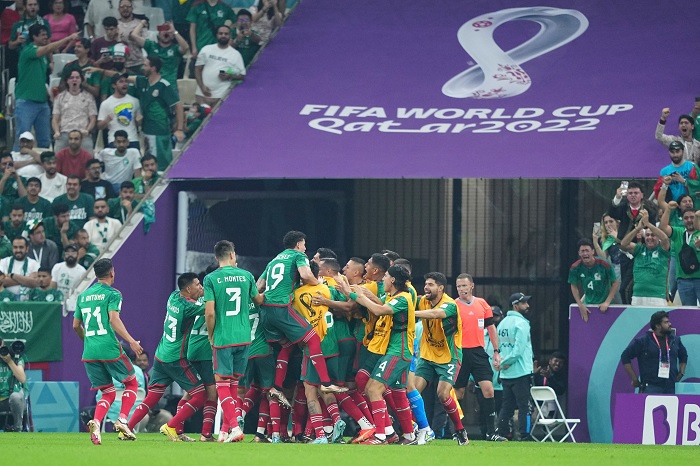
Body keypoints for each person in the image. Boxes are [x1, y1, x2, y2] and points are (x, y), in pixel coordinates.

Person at [256, 231, 345, 394]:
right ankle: (325, 382)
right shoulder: (298, 256)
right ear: (298, 244)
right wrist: (316, 281)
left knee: (287, 345)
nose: (305, 248)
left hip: (265, 311)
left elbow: (258, 286)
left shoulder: (273, 260)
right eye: (304, 245)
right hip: (281, 307)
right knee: (312, 339)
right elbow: (305, 274)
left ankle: (276, 388)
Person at [127, 272, 208, 442]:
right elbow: (210, 307)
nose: (201, 287)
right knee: (201, 395)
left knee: (152, 397)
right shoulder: (189, 308)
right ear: (188, 288)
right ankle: (171, 425)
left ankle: (126, 429)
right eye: (198, 284)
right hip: (176, 359)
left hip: (160, 356)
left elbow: (193, 300)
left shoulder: (173, 297)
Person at [344, 265, 418, 445]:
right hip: (392, 350)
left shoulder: (403, 298)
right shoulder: (393, 297)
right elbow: (379, 303)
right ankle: (407, 436)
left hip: (398, 352)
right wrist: (359, 292)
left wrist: (355, 295)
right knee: (383, 390)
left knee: (374, 389)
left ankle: (381, 436)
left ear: (393, 280)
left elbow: (379, 310)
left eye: (385, 276)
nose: (383, 279)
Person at [72, 258, 143, 444]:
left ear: (96, 275)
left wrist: (87, 341)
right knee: (132, 384)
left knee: (108, 393)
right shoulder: (113, 294)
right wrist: (131, 341)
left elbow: (75, 326)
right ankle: (122, 420)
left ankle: (96, 422)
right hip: (109, 348)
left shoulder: (83, 296)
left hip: (89, 352)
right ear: (112, 273)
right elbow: (113, 319)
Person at [204, 240, 264, 442]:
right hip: (244, 338)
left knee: (221, 383)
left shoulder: (211, 279)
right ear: (232, 255)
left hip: (223, 338)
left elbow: (210, 313)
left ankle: (236, 428)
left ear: (216, 257)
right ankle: (223, 431)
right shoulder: (247, 276)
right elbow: (259, 300)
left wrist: (211, 335)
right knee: (234, 385)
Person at [412, 272, 470, 445]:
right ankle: (417, 429)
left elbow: (436, 314)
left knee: (443, 394)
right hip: (427, 355)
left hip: (449, 356)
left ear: (441, 288)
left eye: (430, 284)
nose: (426, 288)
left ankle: (460, 430)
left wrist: (413, 314)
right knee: (412, 391)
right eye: (425, 284)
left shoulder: (450, 304)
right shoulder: (422, 300)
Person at [452, 273, 506, 441]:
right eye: (458, 286)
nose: (461, 289)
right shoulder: (453, 306)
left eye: (464, 286)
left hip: (478, 352)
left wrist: (496, 351)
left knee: (489, 390)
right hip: (460, 352)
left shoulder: (482, 304)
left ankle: (492, 433)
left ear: (472, 286)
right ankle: (458, 431)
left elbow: (491, 329)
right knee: (458, 393)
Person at [13, 25, 79, 151]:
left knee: (45, 140)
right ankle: (15, 165)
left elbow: (47, 64)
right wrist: (69, 38)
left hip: (42, 103)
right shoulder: (28, 50)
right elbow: (48, 48)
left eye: (46, 34)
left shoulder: (43, 56)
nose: (46, 37)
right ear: (34, 37)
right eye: (42, 35)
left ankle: (45, 166)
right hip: (26, 101)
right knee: (22, 138)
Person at [129, 56, 184, 171]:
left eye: (145, 65)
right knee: (149, 161)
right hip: (146, 129)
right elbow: (124, 78)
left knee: (159, 164)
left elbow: (178, 105)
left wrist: (179, 128)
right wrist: (101, 71)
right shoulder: (143, 81)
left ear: (153, 68)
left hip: (159, 130)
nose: (142, 67)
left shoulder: (164, 85)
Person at [608, 182, 658, 303]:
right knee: (624, 286)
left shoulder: (649, 210)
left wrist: (644, 233)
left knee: (632, 287)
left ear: (642, 195)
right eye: (630, 193)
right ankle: (628, 308)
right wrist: (617, 197)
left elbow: (652, 229)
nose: (633, 195)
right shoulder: (623, 207)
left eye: (636, 193)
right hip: (625, 252)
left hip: (641, 251)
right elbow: (612, 213)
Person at [497, 293, 534, 441]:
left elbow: (499, 348)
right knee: (525, 406)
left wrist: (502, 363)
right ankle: (525, 435)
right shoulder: (522, 323)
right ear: (515, 305)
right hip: (521, 371)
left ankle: (500, 434)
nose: (527, 306)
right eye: (524, 303)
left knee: (507, 407)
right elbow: (518, 351)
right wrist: (506, 362)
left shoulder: (502, 323)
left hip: (506, 373)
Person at [621, 311, 688, 394]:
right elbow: (625, 356)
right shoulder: (643, 341)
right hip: (650, 386)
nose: (670, 324)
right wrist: (634, 378)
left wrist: (681, 371)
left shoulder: (675, 340)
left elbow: (683, 355)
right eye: (666, 322)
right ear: (658, 326)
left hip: (670, 386)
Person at [620, 210, 671, 306]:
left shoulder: (663, 250)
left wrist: (648, 224)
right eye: (647, 235)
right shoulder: (639, 249)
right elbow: (623, 244)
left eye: (653, 235)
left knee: (658, 321)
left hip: (657, 296)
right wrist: (637, 228)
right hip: (637, 296)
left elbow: (664, 238)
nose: (649, 237)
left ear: (657, 237)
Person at [659, 200, 700, 306]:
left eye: (692, 217)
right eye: (686, 218)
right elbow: (663, 227)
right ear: (682, 220)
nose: (689, 220)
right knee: (689, 313)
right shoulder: (678, 232)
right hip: (684, 281)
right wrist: (668, 209)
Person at [568, 239, 619, 322]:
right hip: (588, 306)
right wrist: (580, 305)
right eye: (582, 251)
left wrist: (607, 302)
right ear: (579, 253)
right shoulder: (575, 267)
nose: (585, 254)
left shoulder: (604, 264)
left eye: (587, 251)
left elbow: (615, 283)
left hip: (606, 306)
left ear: (592, 251)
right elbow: (573, 286)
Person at [194, 25, 245, 107]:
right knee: (200, 118)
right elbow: (197, 69)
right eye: (220, 33)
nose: (223, 35)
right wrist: (202, 87)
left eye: (226, 34)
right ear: (216, 35)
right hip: (202, 93)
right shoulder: (206, 49)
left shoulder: (236, 54)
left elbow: (242, 75)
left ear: (230, 36)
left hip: (222, 94)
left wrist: (229, 76)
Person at [130, 19, 188, 88]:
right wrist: (142, 23)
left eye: (168, 30)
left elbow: (186, 47)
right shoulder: (151, 45)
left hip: (170, 86)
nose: (166, 32)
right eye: (163, 29)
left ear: (172, 36)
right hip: (153, 84)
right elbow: (134, 35)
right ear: (158, 34)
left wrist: (174, 32)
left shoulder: (176, 49)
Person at [51, 69, 97, 152]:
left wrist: (87, 130)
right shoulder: (60, 97)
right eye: (71, 78)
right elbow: (55, 118)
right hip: (64, 132)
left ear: (81, 80)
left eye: (77, 77)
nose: (74, 80)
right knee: (57, 156)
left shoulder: (89, 97)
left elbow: (93, 118)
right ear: (67, 81)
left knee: (89, 156)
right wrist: (57, 131)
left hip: (83, 133)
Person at [97, 73, 142, 150]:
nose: (124, 84)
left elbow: (138, 123)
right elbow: (99, 126)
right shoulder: (106, 103)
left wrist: (139, 121)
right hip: (114, 141)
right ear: (114, 85)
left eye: (126, 81)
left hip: (132, 140)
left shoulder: (135, 101)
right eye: (121, 81)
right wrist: (106, 120)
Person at [186, 0, 235, 67]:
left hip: (218, 45)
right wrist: (194, 47)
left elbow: (235, 21)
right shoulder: (197, 6)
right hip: (201, 44)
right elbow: (192, 28)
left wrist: (228, 33)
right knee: (199, 70)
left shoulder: (225, 7)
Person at [0, 337, 28, 432]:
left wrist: (9, 362)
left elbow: (22, 378)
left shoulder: (16, 358)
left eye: (3, 346)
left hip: (12, 400)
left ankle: (17, 429)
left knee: (16, 397)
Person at [0, 236, 40, 301]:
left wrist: (12, 276)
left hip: (27, 301)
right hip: (6, 301)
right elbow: (2, 281)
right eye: (15, 247)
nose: (18, 250)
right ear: (12, 248)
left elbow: (35, 283)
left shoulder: (34, 263)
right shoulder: (3, 262)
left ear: (27, 249)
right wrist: (26, 279)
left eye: (21, 247)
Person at [116, 0, 146, 73]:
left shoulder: (140, 24)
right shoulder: (115, 24)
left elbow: (145, 43)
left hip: (138, 63)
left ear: (132, 8)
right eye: (122, 6)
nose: (125, 9)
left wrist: (135, 37)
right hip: (121, 64)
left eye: (128, 6)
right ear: (118, 9)